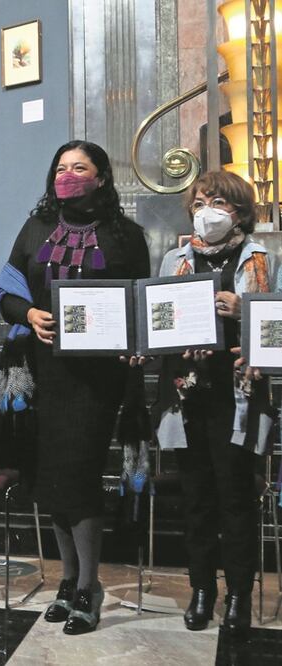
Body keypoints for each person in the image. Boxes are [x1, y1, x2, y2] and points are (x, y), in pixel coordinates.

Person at [0, 141, 150, 635]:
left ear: (100, 177)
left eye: (79, 167)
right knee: (51, 481)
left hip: (97, 378)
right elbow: (6, 291)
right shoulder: (36, 227)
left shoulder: (126, 235)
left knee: (79, 478)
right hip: (42, 371)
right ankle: (67, 581)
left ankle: (89, 586)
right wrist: (29, 313)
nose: (68, 175)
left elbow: (140, 303)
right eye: (61, 167)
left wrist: (136, 344)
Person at [153, 171, 274, 635]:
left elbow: (276, 323)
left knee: (236, 498)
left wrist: (244, 311)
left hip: (239, 392)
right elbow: (160, 319)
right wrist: (174, 339)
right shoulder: (175, 259)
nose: (207, 211)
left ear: (239, 212)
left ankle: (239, 593)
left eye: (218, 202)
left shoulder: (262, 259)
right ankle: (202, 589)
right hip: (188, 392)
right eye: (200, 203)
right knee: (197, 499)